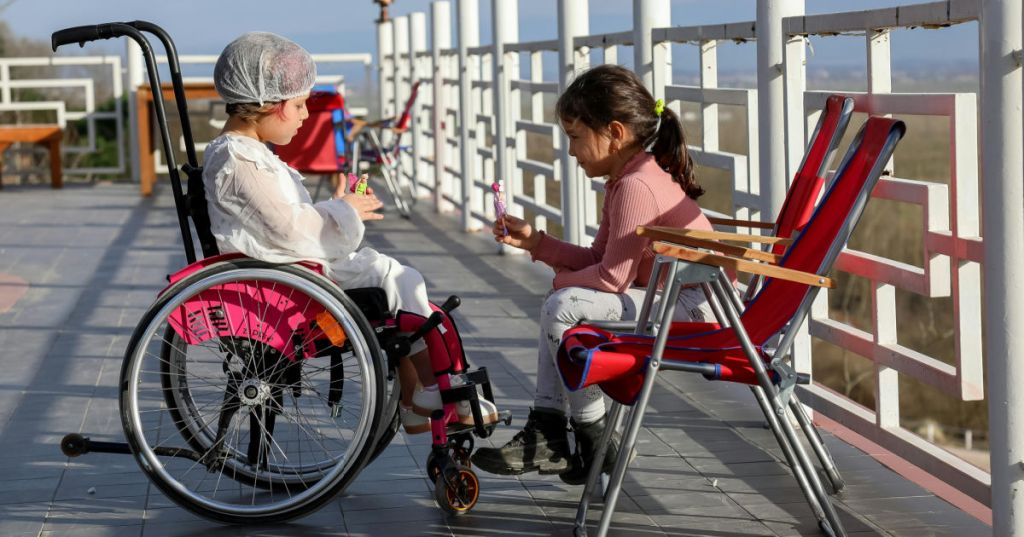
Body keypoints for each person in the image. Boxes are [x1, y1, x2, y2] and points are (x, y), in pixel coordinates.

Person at [202, 31, 497, 434]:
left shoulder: (245, 155)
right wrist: (344, 211)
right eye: (300, 104)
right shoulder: (239, 158)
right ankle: (431, 389)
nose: (307, 115)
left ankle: (421, 398)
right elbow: (290, 230)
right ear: (268, 104)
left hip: (285, 271)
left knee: (400, 291)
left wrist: (338, 208)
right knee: (398, 280)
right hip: (285, 284)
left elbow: (281, 222)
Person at [471, 64, 715, 484]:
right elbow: (600, 257)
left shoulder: (636, 186)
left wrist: (559, 283)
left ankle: (587, 435)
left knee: (563, 304)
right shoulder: (628, 178)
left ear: (615, 133)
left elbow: (609, 280)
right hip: (668, 298)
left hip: (694, 310)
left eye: (575, 137)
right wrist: (535, 242)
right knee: (563, 304)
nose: (570, 151)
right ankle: (567, 433)